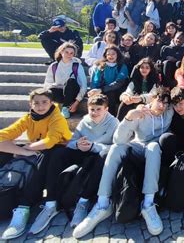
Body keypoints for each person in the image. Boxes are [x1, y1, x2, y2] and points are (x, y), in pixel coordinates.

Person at [72, 88, 174, 238]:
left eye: (165, 104)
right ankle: (102, 204)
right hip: (137, 147)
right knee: (115, 149)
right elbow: (118, 140)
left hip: (153, 151)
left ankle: (148, 204)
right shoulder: (140, 113)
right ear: (152, 100)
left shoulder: (169, 111)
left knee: (153, 146)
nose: (162, 106)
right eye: (159, 102)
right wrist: (128, 117)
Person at [27, 94, 118, 235]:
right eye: (91, 109)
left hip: (98, 155)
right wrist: (78, 144)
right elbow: (71, 142)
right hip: (82, 152)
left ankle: (83, 201)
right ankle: (51, 203)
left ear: (106, 109)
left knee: (103, 157)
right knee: (57, 153)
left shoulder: (114, 123)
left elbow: (116, 147)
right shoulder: (84, 121)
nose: (94, 113)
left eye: (98, 109)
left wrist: (93, 146)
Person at [0, 89, 72, 240]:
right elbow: (6, 134)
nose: (40, 106)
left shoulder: (57, 117)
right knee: (4, 152)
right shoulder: (28, 117)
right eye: (36, 103)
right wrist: (23, 151)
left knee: (47, 155)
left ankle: (24, 207)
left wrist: (27, 149)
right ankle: (7, 188)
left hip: (63, 151)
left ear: (51, 103)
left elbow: (50, 141)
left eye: (44, 102)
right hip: (37, 149)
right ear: (30, 104)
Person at [43, 42, 87, 119]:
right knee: (50, 90)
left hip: (73, 92)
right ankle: (49, 110)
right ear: (61, 52)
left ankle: (66, 108)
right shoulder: (54, 66)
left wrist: (77, 102)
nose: (69, 55)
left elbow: (83, 85)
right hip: (60, 92)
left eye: (71, 53)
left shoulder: (77, 66)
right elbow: (47, 84)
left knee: (71, 81)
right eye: (66, 52)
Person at [88, 45, 129, 116]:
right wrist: (94, 90)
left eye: (113, 54)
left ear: (117, 55)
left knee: (110, 94)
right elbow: (95, 80)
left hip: (116, 91)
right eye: (108, 54)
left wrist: (101, 90)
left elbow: (118, 83)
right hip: (102, 90)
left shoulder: (122, 66)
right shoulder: (101, 65)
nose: (111, 56)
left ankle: (110, 118)